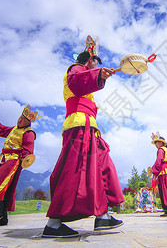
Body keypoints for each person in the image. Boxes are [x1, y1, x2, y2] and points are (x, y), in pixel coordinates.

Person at [42, 35, 125, 238]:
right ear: (88, 60)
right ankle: (53, 224)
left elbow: (87, 84)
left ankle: (103, 215)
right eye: (95, 62)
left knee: (101, 165)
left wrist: (99, 75)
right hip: (78, 126)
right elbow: (78, 83)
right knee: (74, 171)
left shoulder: (87, 75)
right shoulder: (75, 69)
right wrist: (99, 74)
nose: (96, 65)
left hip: (90, 128)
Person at [0, 104, 40, 227]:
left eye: (23, 119)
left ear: (28, 122)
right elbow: (1, 130)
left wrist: (24, 160)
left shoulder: (29, 133)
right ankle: (0, 216)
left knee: (0, 183)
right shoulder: (13, 129)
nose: (19, 120)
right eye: (20, 117)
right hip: (2, 159)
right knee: (1, 184)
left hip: (13, 160)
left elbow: (28, 149)